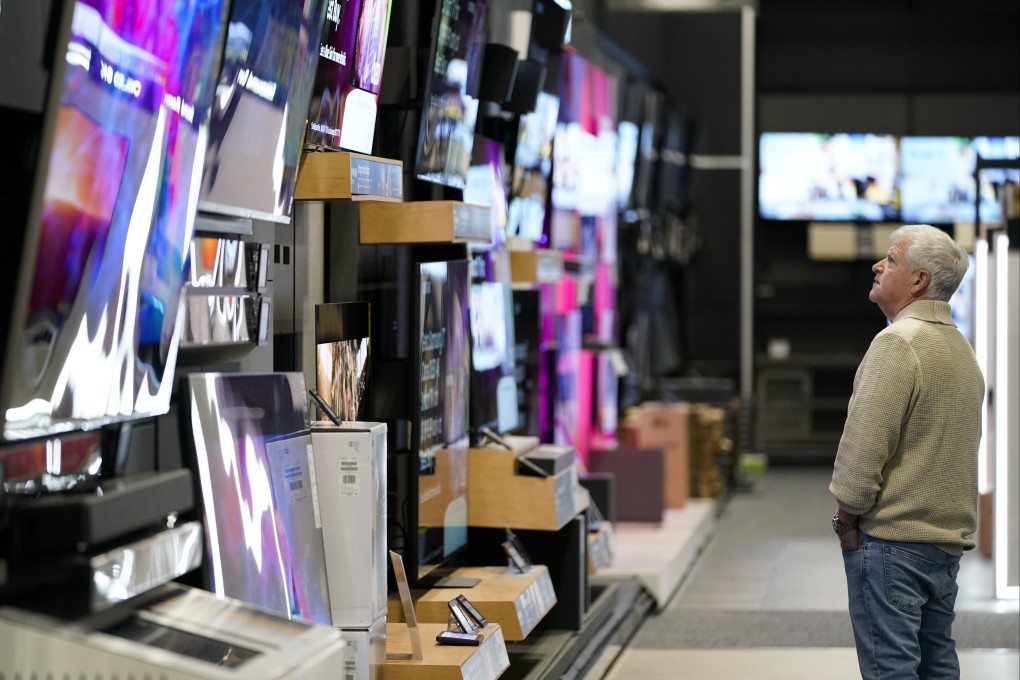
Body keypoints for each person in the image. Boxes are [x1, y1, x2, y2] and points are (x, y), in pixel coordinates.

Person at [829, 224, 984, 680]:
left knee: (890, 670)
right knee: (938, 665)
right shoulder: (961, 351)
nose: (878, 265)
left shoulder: (897, 343)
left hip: (892, 546)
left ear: (919, 281)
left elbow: (863, 446)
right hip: (943, 547)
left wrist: (846, 520)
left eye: (891, 259)